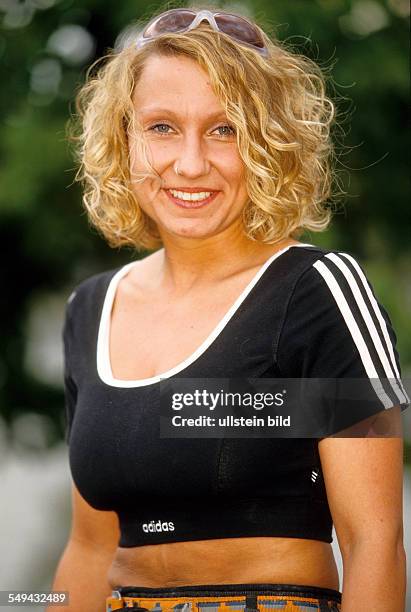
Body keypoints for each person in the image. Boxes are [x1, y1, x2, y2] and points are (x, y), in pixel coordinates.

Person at [49, 7, 409, 612]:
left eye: (226, 130)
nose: (190, 164)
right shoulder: (90, 310)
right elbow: (88, 549)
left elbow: (375, 542)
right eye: (162, 127)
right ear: (123, 137)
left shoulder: (320, 293)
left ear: (271, 145)